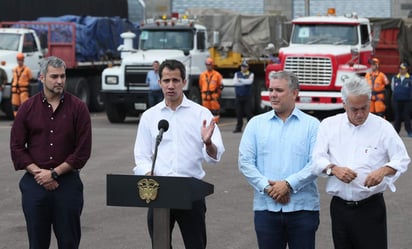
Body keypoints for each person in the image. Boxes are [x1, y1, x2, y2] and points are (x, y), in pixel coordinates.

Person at [133, 59, 225, 249]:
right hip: (158, 192)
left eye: (175, 80)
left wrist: (208, 143)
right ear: (159, 83)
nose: (171, 86)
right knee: (160, 245)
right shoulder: (150, 116)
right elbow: (141, 155)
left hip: (191, 192)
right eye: (166, 81)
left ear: (184, 82)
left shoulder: (200, 114)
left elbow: (215, 155)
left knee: (196, 244)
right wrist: (146, 172)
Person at [311, 76, 410, 249]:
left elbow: (401, 159)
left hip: (370, 208)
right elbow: (317, 160)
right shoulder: (329, 126)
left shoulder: (383, 127)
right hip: (340, 208)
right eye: (354, 109)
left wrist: (384, 170)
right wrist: (333, 169)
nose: (360, 114)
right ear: (344, 104)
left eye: (364, 108)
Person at [10, 56, 92, 249]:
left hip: (68, 184)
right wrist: (40, 174)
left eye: (62, 76)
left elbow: (82, 151)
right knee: (37, 244)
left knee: (69, 243)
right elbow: (17, 148)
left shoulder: (78, 108)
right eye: (54, 76)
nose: (60, 81)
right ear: (41, 77)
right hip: (34, 185)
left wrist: (54, 173)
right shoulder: (27, 108)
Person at [238, 71, 320, 249]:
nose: (273, 94)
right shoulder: (255, 124)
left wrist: (288, 185)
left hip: (303, 210)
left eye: (279, 90)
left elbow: (316, 163)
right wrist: (268, 188)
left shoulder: (312, 125)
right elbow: (245, 162)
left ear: (294, 93)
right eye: (270, 89)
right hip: (266, 209)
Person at [233, 60, 254, 133]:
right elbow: (235, 83)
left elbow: (250, 82)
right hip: (239, 96)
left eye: (245, 67)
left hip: (247, 96)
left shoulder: (251, 74)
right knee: (239, 113)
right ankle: (238, 128)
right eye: (242, 66)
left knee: (248, 113)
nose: (243, 68)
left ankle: (251, 128)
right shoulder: (237, 74)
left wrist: (240, 80)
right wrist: (244, 81)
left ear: (248, 67)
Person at [199, 58, 223, 122]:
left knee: (215, 110)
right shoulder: (202, 75)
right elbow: (200, 85)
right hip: (205, 95)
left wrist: (218, 94)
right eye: (207, 65)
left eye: (209, 64)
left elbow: (220, 85)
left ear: (212, 65)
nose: (208, 66)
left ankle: (215, 123)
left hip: (214, 95)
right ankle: (207, 122)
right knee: (205, 110)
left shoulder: (217, 75)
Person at [391, 62, 412, 136]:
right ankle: (396, 131)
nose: (401, 70)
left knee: (407, 116)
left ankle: (409, 131)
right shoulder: (395, 78)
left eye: (403, 69)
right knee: (397, 116)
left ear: (406, 69)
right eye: (400, 69)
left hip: (407, 101)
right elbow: (393, 88)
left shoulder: (410, 78)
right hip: (397, 100)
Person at [11, 52, 34, 117]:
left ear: (23, 60)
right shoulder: (14, 69)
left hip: (24, 91)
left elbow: (31, 80)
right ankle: (17, 120)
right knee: (15, 106)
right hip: (15, 91)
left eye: (21, 60)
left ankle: (25, 120)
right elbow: (13, 80)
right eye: (18, 60)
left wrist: (30, 92)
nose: (19, 61)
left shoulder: (27, 69)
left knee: (25, 106)